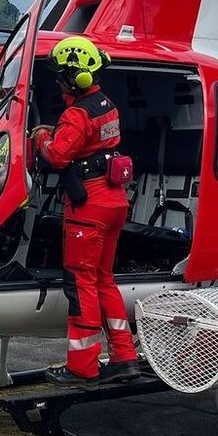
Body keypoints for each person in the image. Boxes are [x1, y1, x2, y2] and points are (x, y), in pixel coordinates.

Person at [31, 35, 140, 386]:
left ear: (73, 77)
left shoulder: (76, 115)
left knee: (80, 283)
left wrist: (40, 137)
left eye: (62, 75)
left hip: (89, 208)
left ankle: (83, 366)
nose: (58, 81)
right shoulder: (107, 104)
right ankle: (124, 356)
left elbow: (57, 156)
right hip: (114, 202)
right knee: (104, 279)